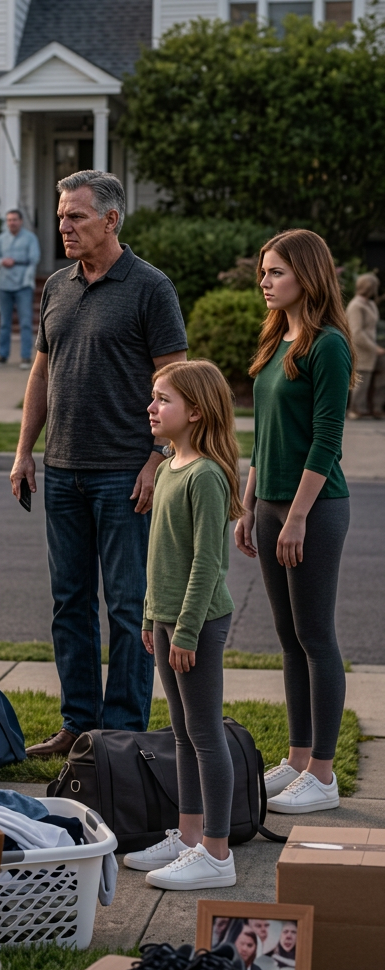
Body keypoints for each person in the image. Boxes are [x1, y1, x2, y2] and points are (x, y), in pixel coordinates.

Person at [10, 170, 187, 758]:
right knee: (70, 603)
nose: (63, 226)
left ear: (111, 220)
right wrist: (24, 452)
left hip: (124, 474)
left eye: (76, 216)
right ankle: (78, 725)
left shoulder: (151, 288)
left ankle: (122, 734)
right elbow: (41, 373)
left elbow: (177, 384)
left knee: (130, 607)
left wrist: (157, 458)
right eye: (61, 215)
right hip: (62, 470)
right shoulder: (57, 287)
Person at [236, 229, 355, 814]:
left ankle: (323, 776)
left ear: (306, 276)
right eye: (264, 271)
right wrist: (249, 505)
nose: (264, 281)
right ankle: (299, 757)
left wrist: (297, 517)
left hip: (315, 507)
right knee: (288, 639)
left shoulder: (327, 345)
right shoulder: (275, 338)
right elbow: (265, 437)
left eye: (276, 271)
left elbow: (326, 441)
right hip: (270, 505)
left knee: (315, 636)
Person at [123, 360, 242, 891]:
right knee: (182, 732)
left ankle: (216, 853)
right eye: (153, 397)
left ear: (195, 411)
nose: (151, 407)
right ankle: (189, 836)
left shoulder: (206, 476)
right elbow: (159, 556)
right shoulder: (171, 465)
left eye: (163, 399)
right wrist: (152, 615)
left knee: (205, 734)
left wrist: (188, 630)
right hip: (168, 619)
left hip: (198, 622)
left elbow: (206, 563)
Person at [0, 209, 40, 369]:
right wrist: (2, 261)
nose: (12, 223)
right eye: (9, 220)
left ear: (20, 221)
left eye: (14, 220)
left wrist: (15, 260)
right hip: (4, 284)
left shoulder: (30, 238)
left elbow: (34, 258)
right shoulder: (1, 238)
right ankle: (2, 355)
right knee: (4, 322)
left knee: (25, 322)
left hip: (23, 284)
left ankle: (25, 357)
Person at [345, 272, 382, 418]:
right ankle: (355, 409)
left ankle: (375, 407)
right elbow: (356, 332)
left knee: (380, 375)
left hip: (372, 349)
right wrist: (375, 348)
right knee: (361, 380)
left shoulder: (371, 304)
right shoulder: (356, 306)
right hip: (361, 349)